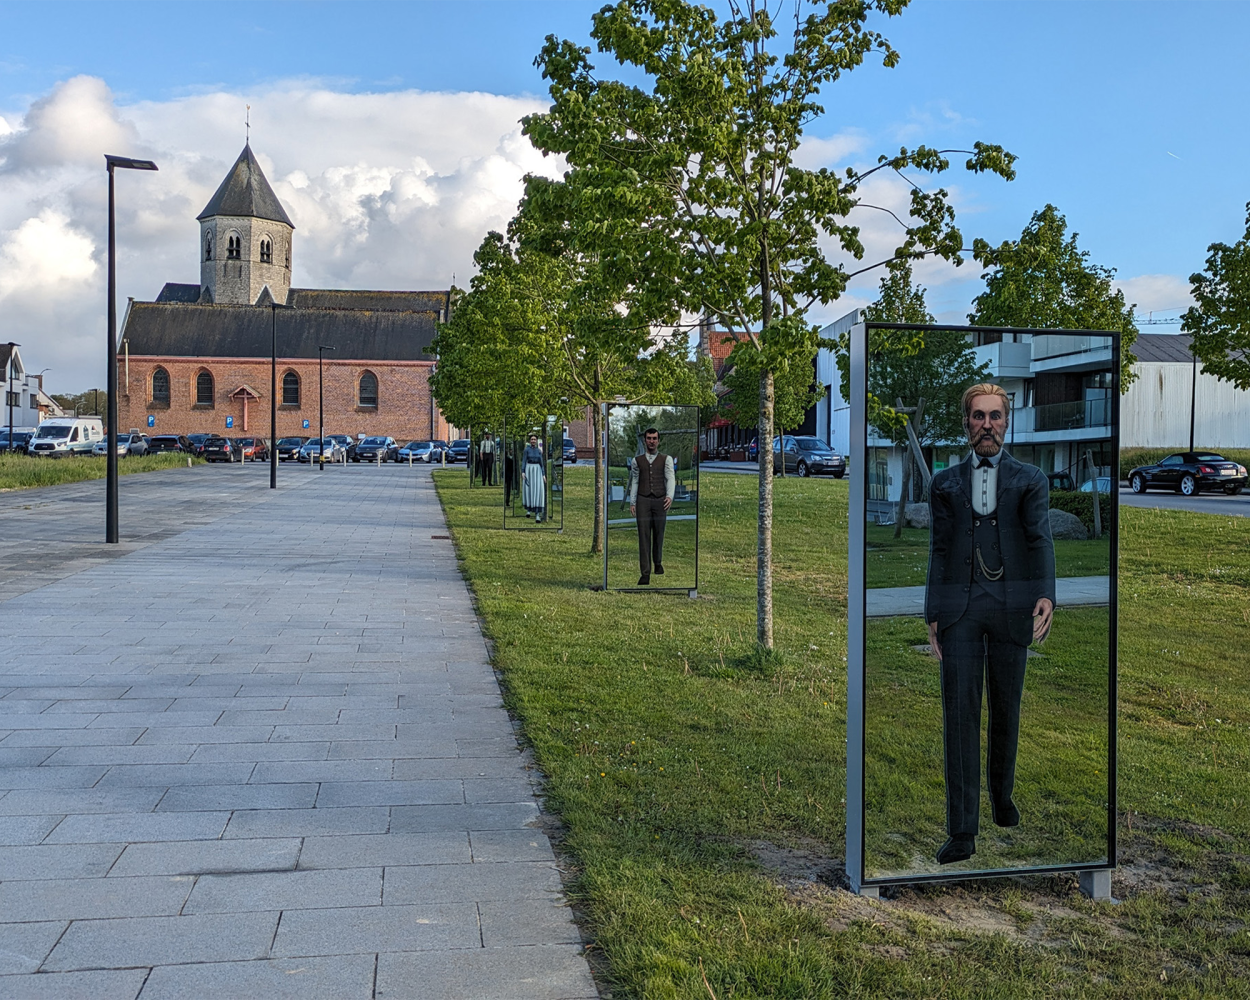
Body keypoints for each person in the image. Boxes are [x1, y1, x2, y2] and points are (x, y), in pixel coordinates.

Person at [925, 383, 1056, 865]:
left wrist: (1045, 594)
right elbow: (938, 550)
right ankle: (962, 831)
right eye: (978, 417)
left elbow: (1041, 540)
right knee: (959, 717)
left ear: (1007, 422)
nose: (987, 425)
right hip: (959, 610)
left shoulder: (1030, 479)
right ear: (966, 424)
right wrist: (932, 612)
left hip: (1011, 608)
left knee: (1007, 708)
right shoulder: (945, 483)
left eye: (995, 416)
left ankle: (1002, 799)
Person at [629, 427, 675, 585]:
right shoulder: (637, 461)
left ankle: (658, 562)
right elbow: (635, 481)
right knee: (643, 535)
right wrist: (633, 501)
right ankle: (645, 573)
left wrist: (670, 496)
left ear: (658, 441)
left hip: (660, 499)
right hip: (643, 500)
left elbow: (670, 478)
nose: (652, 441)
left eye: (654, 438)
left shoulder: (666, 459)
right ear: (645, 440)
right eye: (649, 438)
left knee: (659, 533)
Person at [522, 433, 546, 521]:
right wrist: (523, 471)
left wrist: (543, 474)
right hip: (529, 469)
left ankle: (537, 514)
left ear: (536, 441)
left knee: (537, 489)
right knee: (529, 489)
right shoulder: (526, 450)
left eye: (534, 439)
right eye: (532, 439)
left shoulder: (539, 451)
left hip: (537, 470)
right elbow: (524, 461)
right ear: (530, 441)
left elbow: (541, 463)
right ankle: (528, 509)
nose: (533, 441)